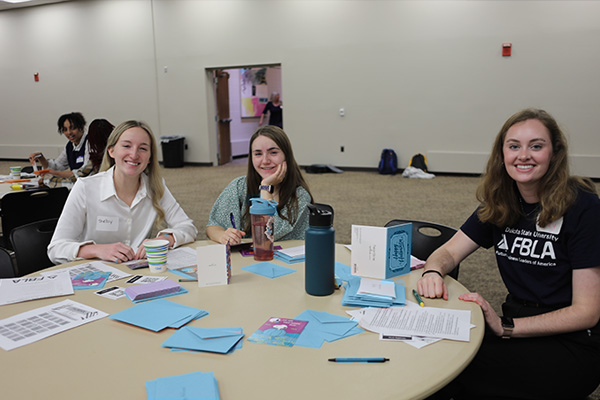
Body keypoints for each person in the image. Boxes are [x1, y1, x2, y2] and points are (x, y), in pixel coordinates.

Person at [418, 108, 600, 400]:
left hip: (573, 344)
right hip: (513, 327)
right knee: (440, 354)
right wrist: (432, 270)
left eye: (536, 146)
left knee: (450, 372)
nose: (523, 155)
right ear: (502, 154)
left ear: (554, 154)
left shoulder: (584, 209)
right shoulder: (502, 204)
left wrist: (507, 328)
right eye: (514, 146)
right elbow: (449, 251)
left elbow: (586, 312)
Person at [48, 120, 198, 265]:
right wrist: (97, 250)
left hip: (138, 273)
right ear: (111, 151)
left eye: (143, 148)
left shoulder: (155, 187)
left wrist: (164, 239)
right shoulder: (85, 188)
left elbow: (188, 227)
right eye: (126, 146)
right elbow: (56, 248)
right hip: (94, 274)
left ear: (150, 158)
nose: (134, 155)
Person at [206, 125, 313, 244]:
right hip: (245, 259)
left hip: (282, 261)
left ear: (286, 155)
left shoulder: (300, 195)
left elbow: (270, 233)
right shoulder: (239, 186)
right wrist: (222, 235)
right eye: (258, 154)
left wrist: (265, 188)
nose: (265, 160)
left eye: (273, 152)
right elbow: (213, 225)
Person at [28, 112, 90, 185]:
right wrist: (41, 158)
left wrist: (53, 173)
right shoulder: (70, 146)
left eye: (72, 128)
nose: (69, 132)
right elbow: (56, 167)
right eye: (65, 129)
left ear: (81, 127)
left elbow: (83, 172)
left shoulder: (89, 142)